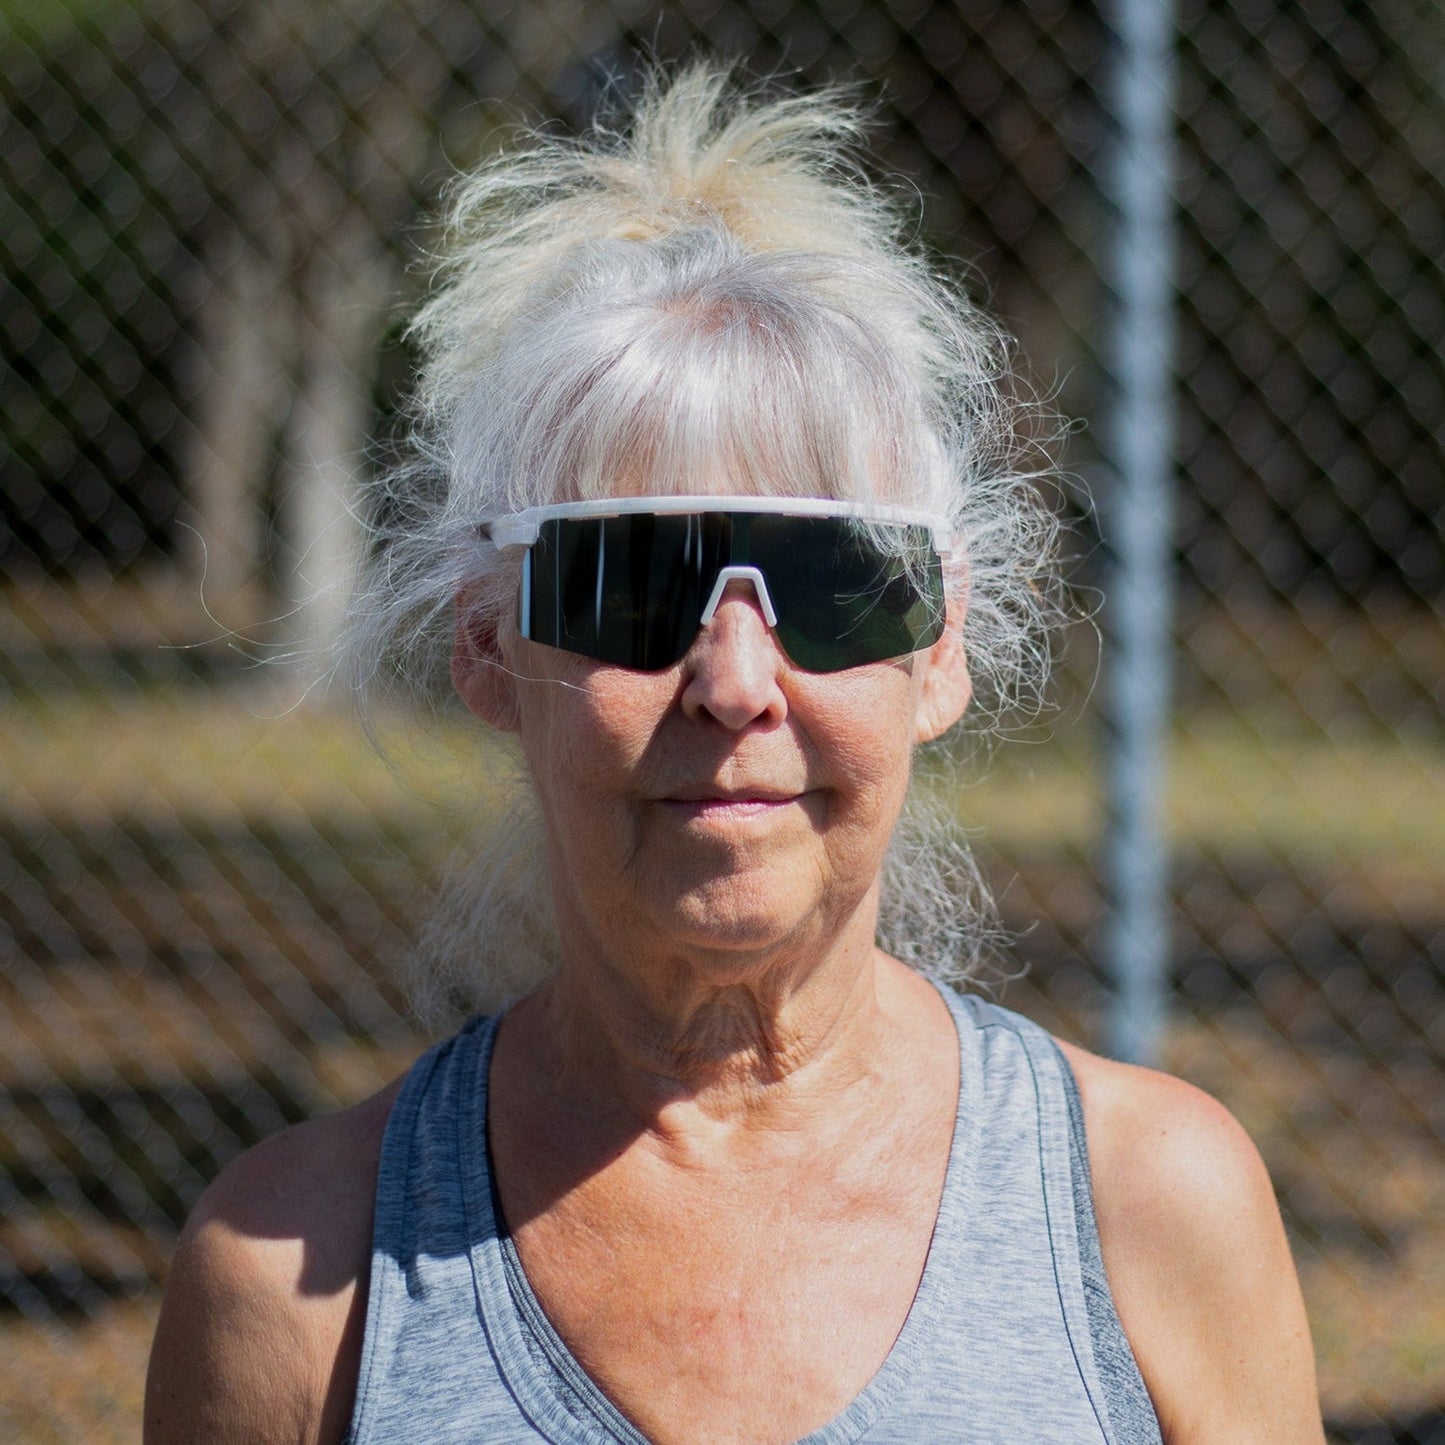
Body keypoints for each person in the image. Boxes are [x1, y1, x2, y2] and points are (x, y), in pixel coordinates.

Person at [144, 65, 1323, 1444]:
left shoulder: (1155, 1206)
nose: (737, 683)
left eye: (835, 583)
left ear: (940, 650)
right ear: (485, 648)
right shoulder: (289, 1272)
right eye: (632, 584)